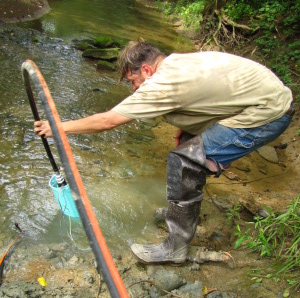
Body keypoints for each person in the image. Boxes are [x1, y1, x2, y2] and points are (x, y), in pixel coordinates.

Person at [34, 39, 294, 265]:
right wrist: (191, 128)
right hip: (266, 97)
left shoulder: (162, 83)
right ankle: (179, 215)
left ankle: (176, 248)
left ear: (146, 69)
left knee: (184, 160)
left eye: (133, 81)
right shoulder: (176, 63)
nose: (135, 89)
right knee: (190, 147)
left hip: (266, 114)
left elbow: (108, 121)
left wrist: (57, 128)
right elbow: (209, 97)